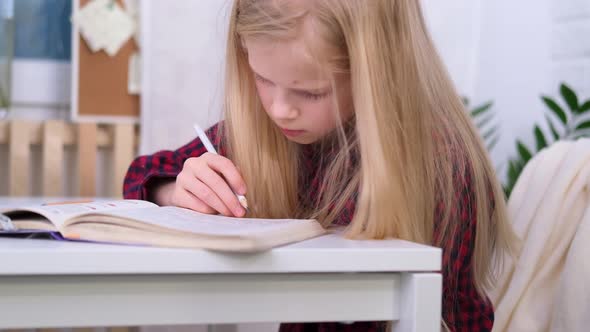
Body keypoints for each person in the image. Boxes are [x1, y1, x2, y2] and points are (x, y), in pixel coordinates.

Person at [123, 0, 517, 330]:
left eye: (311, 92)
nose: (280, 109)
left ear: (377, 73)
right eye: (261, 78)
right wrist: (174, 190)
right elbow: (140, 175)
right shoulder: (261, 132)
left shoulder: (441, 168)